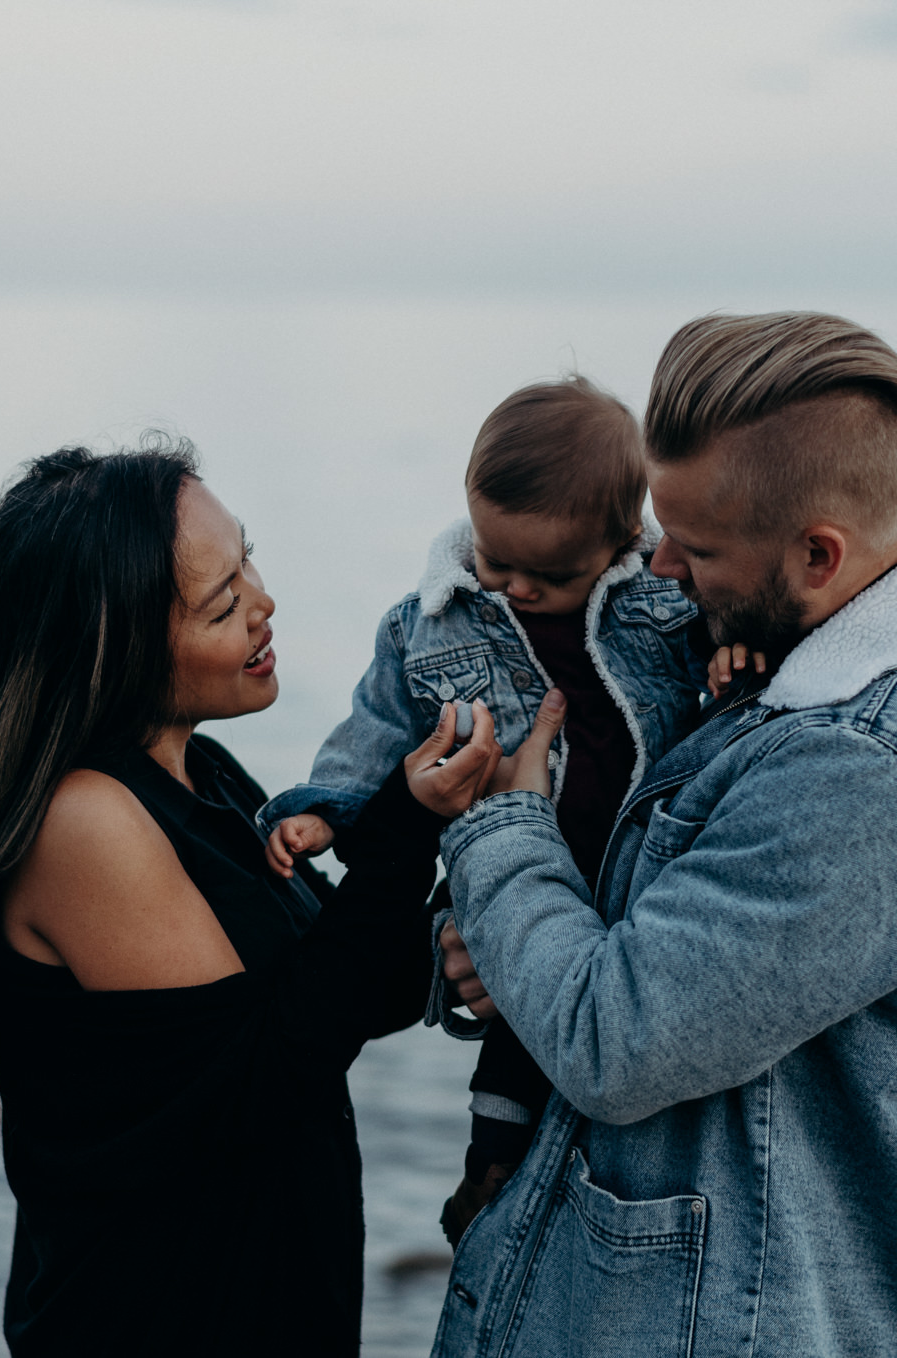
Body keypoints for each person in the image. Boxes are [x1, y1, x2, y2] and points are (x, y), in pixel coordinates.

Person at [431, 313, 897, 1357]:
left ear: (819, 553)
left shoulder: (866, 778)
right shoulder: (798, 643)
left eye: (696, 548)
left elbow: (614, 1037)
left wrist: (497, 830)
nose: (657, 571)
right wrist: (517, 945)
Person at [0, 438, 504, 1356]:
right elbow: (270, 1061)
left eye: (246, 559)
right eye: (223, 604)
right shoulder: (83, 820)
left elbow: (328, 978)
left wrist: (450, 950)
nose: (263, 604)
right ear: (117, 648)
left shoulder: (198, 771)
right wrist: (405, 826)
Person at [253, 377, 706, 1243]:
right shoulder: (427, 626)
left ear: (620, 540)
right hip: (504, 864)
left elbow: (718, 668)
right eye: (497, 562)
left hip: (628, 868)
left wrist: (737, 661)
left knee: (584, 1031)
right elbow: (379, 729)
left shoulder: (666, 601)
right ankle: (489, 1168)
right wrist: (328, 811)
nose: (517, 587)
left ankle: (561, 1192)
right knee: (510, 1023)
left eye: (551, 574)